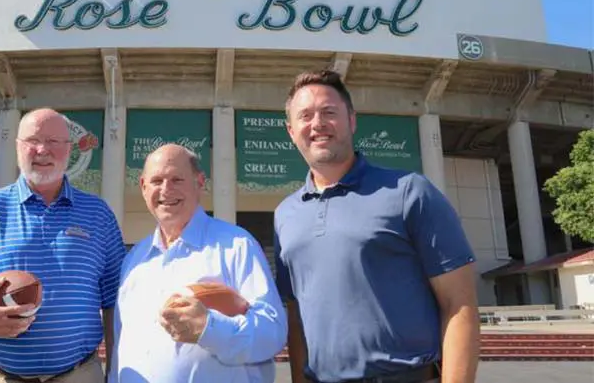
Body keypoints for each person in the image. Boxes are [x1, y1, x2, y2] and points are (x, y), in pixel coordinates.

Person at [274, 69, 480, 383]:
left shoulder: (410, 191)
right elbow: (297, 317)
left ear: (352, 120)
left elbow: (459, 304)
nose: (317, 124)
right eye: (305, 116)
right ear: (291, 131)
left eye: (329, 112)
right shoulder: (285, 215)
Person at [0, 108, 126, 383]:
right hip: (0, 375)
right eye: (32, 141)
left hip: (80, 373)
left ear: (69, 149)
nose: (42, 150)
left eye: (54, 141)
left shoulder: (97, 213)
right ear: (17, 148)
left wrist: (115, 369)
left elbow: (114, 298)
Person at [108, 143, 287, 383]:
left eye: (177, 179)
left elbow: (271, 333)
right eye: (157, 181)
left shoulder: (236, 245)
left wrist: (210, 328)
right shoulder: (134, 260)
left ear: (199, 182)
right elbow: (123, 342)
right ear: (143, 187)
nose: (166, 190)